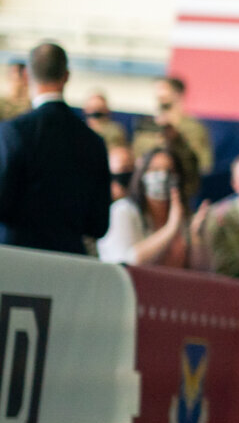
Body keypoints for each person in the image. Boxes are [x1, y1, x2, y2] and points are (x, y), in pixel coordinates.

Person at [0, 42, 109, 254]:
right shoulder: (93, 142)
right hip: (67, 263)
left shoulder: (12, 132)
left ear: (26, 76)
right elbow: (98, 225)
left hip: (14, 260)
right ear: (66, 76)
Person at [97, 146, 199, 267]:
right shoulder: (122, 210)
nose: (162, 176)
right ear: (142, 175)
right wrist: (170, 228)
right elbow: (126, 264)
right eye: (155, 170)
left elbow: (201, 271)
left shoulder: (183, 216)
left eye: (170, 171)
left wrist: (196, 237)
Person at [132, 75, 213, 174]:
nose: (158, 93)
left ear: (177, 94)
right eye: (156, 89)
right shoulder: (148, 125)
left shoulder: (193, 127)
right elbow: (135, 153)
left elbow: (202, 164)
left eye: (163, 89)